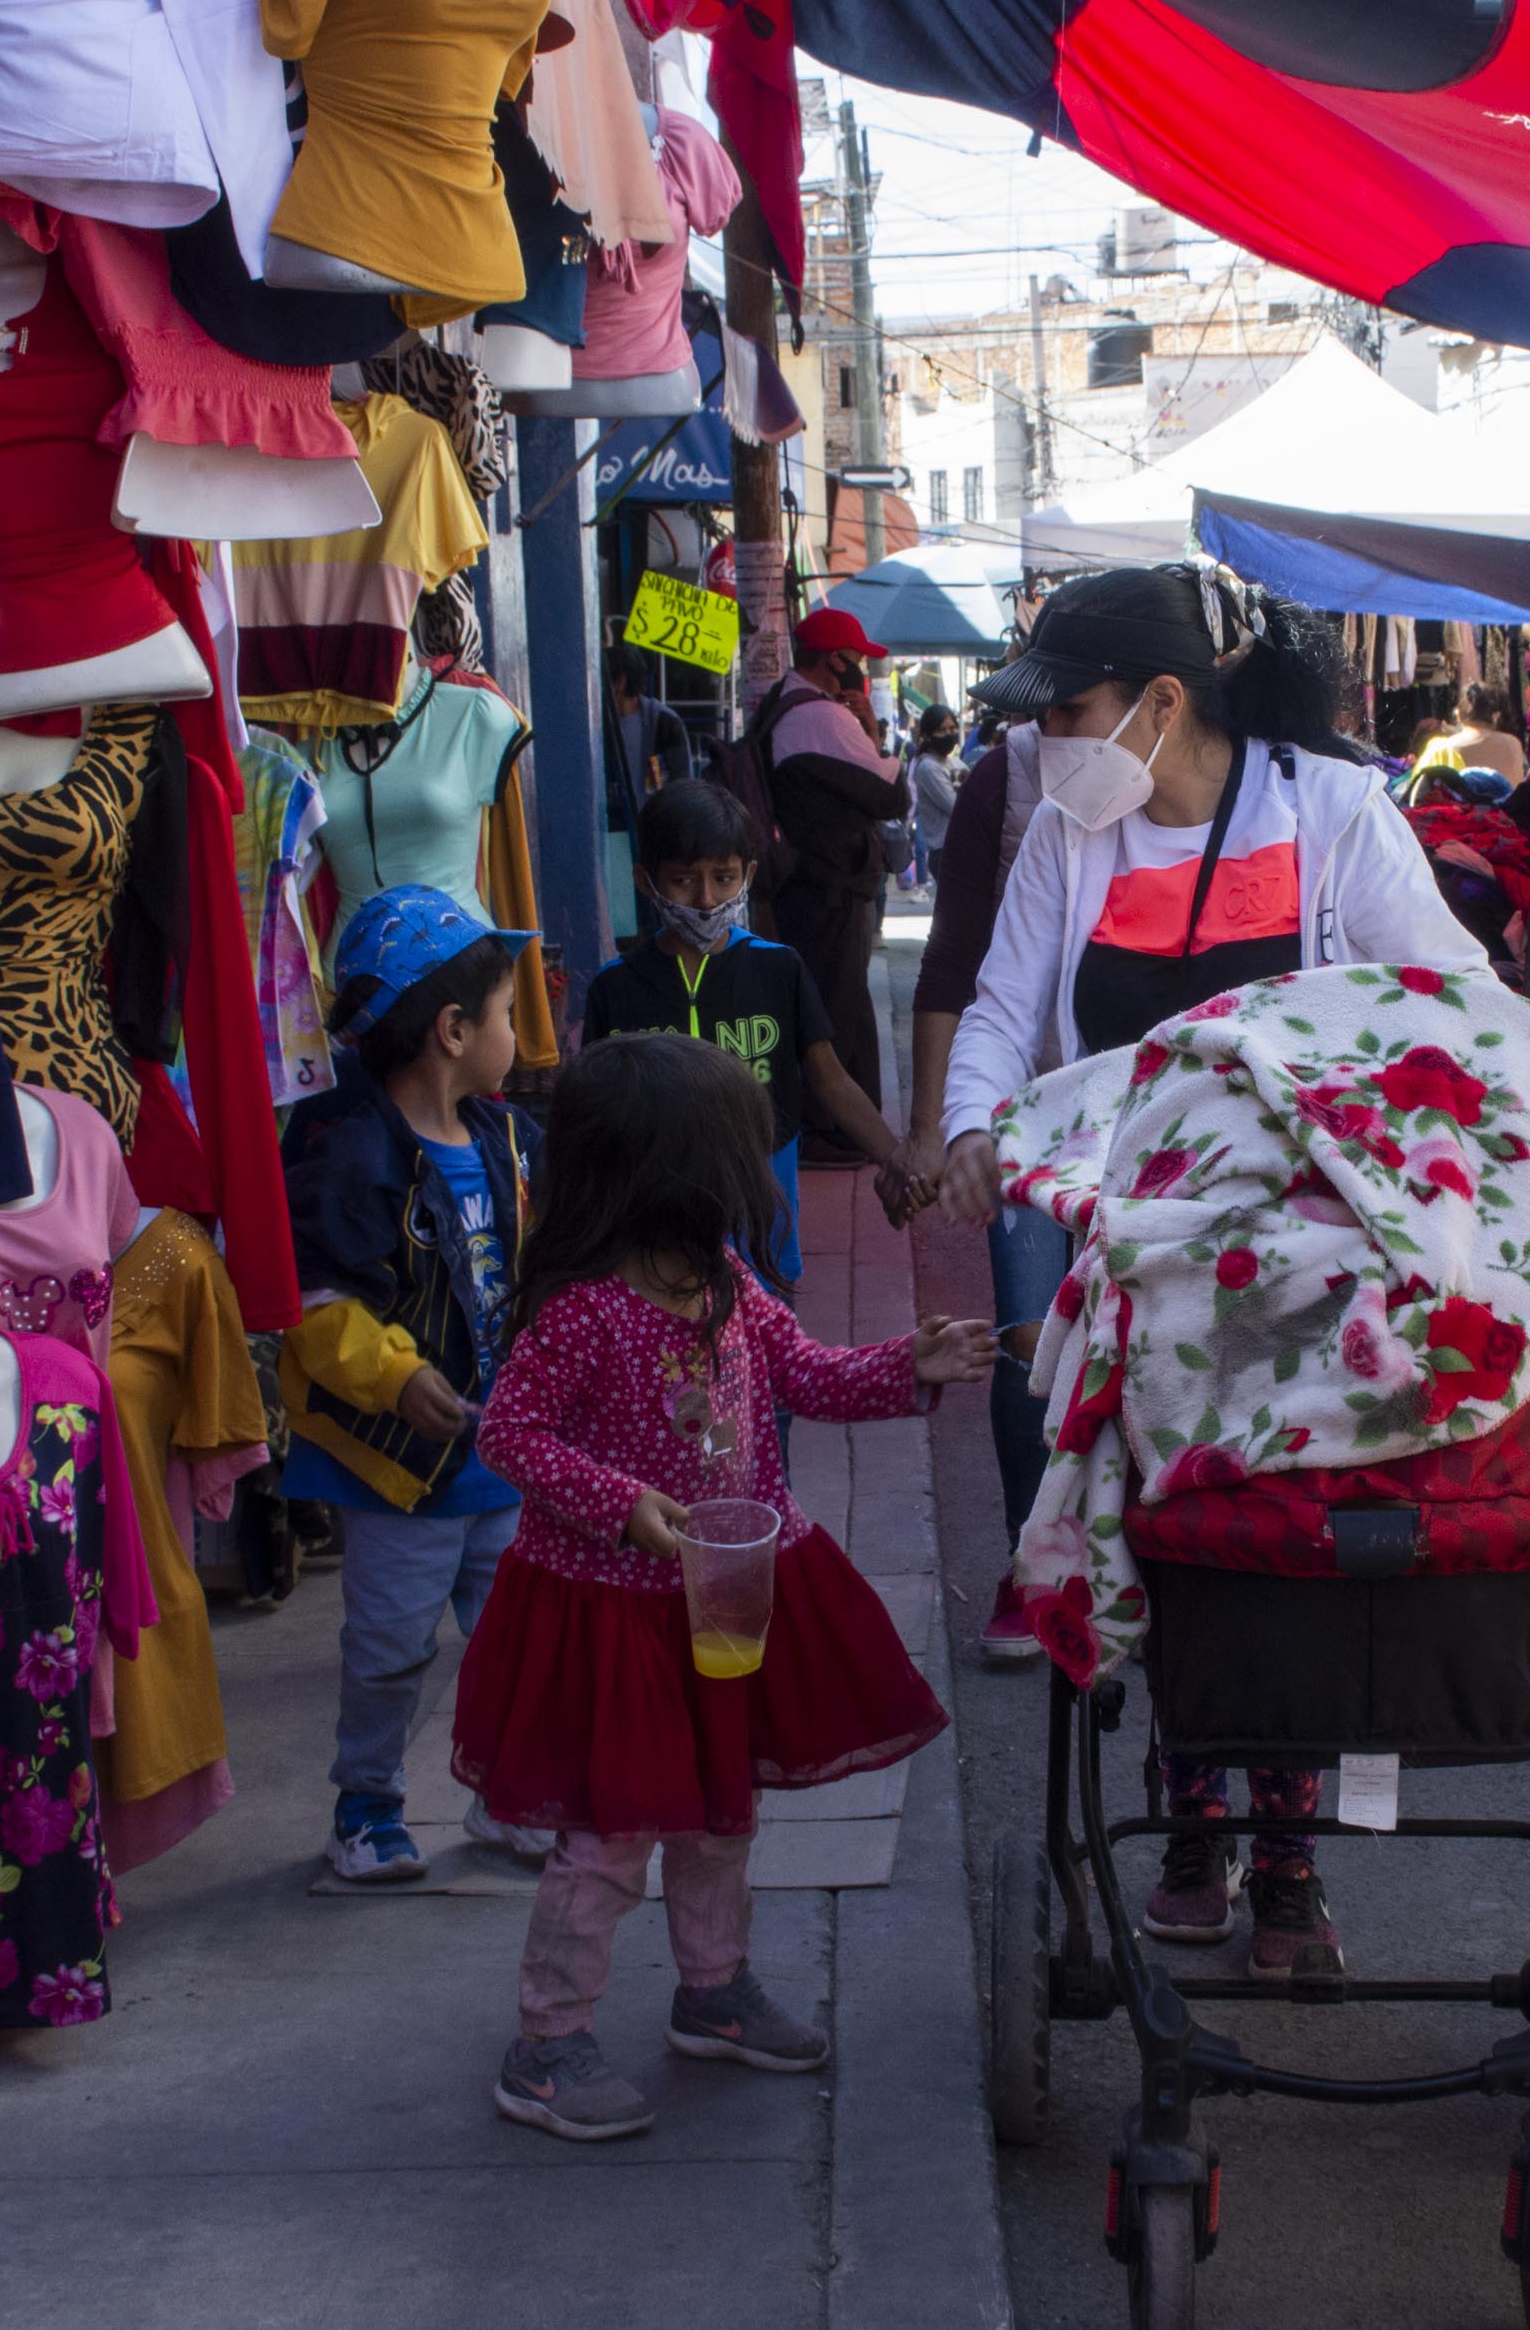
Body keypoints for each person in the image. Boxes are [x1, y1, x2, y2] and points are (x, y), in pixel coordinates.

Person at [937, 564, 1487, 1979]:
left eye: (1068, 709)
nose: (1046, 737)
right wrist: (970, 1133)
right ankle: (1192, 1824)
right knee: (1171, 1539)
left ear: (1161, 702)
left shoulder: (1334, 813)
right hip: (1136, 1262)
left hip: (1312, 1261)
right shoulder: (1068, 835)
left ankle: (1290, 1864)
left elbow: (1443, 999)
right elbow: (1003, 1012)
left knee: (1289, 1552)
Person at [454, 1033, 994, 2139]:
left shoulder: (724, 1279)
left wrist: (909, 1364)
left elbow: (805, 1372)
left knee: (720, 1816)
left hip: (727, 1599)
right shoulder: (580, 1308)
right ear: (669, 1166)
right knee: (607, 1838)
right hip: (614, 1613)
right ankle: (546, 2043)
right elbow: (507, 1433)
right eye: (740, 1151)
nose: (756, 1172)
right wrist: (620, 1503)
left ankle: (714, 1990)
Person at [279, 886, 545, 1885]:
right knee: (389, 1646)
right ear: (451, 1029)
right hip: (397, 1468)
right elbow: (314, 1305)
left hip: (502, 1461)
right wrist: (394, 1377)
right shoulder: (346, 1152)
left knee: (514, 1642)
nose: (516, 1032)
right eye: (508, 1014)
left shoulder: (511, 1142)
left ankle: (511, 1797)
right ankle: (367, 1805)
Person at [583, 780, 927, 1269]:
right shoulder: (614, 989)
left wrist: (894, 1161)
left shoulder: (778, 968)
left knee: (769, 1341)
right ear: (646, 881)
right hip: (652, 1233)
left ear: (748, 874)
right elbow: (594, 1123)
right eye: (683, 880)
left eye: (723, 878)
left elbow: (830, 1080)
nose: (705, 899)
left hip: (761, 1228)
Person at [901, 717, 1055, 1661]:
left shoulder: (1241, 778)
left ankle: (1164, 1556)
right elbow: (959, 967)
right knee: (1031, 1338)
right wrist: (937, 1127)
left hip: (1175, 1120)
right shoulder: (1008, 777)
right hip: (1033, 1116)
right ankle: (1032, 1558)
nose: (1061, 726)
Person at [757, 605, 913, 1146]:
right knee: (834, 1008)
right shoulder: (822, 717)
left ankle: (847, 1129)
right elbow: (892, 792)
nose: (861, 672)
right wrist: (872, 734)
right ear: (835, 660)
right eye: (856, 661)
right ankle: (831, 1131)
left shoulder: (788, 705)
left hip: (814, 888)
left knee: (843, 1005)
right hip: (828, 892)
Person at [604, 643, 693, 811]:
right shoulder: (603, 725)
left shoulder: (664, 722)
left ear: (620, 682)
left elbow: (683, 784)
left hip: (657, 823)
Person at [1411, 682, 1529, 783]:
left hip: (1459, 809)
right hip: (1507, 809)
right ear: (1496, 716)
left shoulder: (1439, 748)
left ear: (1458, 716)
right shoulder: (1513, 744)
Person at [903, 704, 963, 894]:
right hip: (946, 850)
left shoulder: (952, 762)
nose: (948, 734)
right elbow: (956, 806)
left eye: (952, 728)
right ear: (928, 735)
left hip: (957, 848)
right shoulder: (928, 767)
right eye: (942, 730)